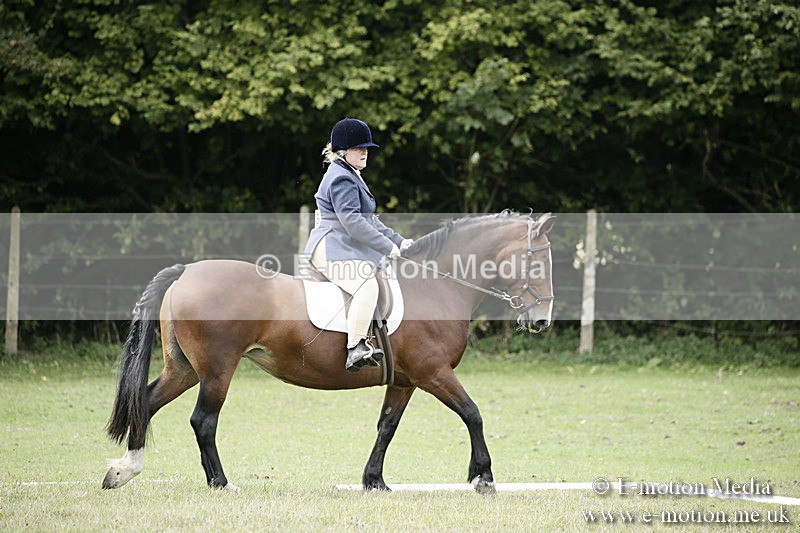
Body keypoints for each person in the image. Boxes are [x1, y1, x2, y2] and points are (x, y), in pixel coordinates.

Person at [304, 118, 413, 372]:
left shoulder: (351, 174)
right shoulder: (341, 177)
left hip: (343, 246)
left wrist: (400, 242)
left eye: (367, 148)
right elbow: (353, 223)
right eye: (359, 148)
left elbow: (371, 222)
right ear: (343, 151)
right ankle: (356, 348)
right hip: (330, 247)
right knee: (365, 285)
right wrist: (388, 248)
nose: (366, 152)